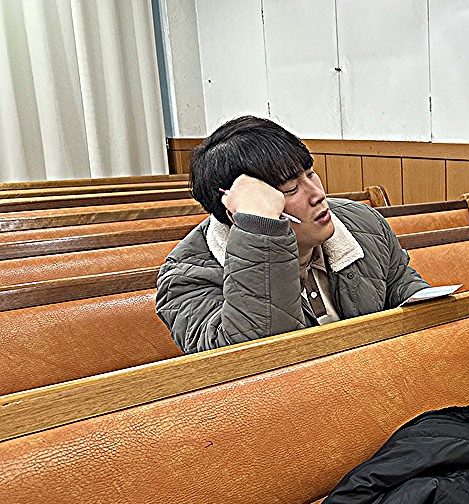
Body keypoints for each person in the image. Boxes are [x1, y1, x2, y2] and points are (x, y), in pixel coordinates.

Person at [156, 116, 429, 354]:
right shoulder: (186, 279)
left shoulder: (361, 221)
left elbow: (401, 286)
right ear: (239, 213)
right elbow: (257, 363)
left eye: (310, 174)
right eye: (290, 189)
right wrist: (260, 229)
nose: (318, 194)